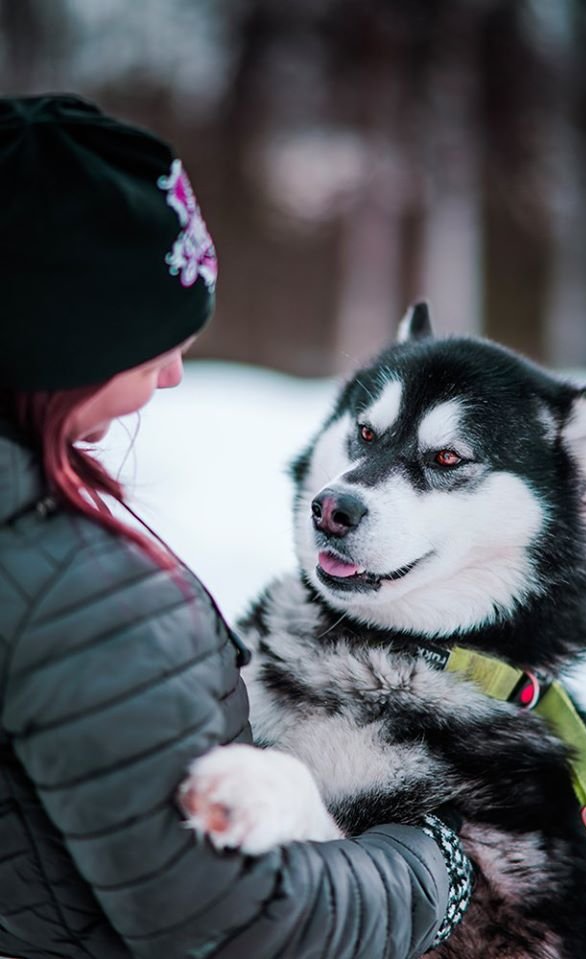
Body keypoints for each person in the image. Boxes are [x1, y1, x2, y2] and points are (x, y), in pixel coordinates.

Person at [0, 94, 472, 959]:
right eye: (153, 340)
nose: (176, 374)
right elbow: (242, 923)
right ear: (54, 332)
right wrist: (438, 863)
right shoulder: (70, 589)